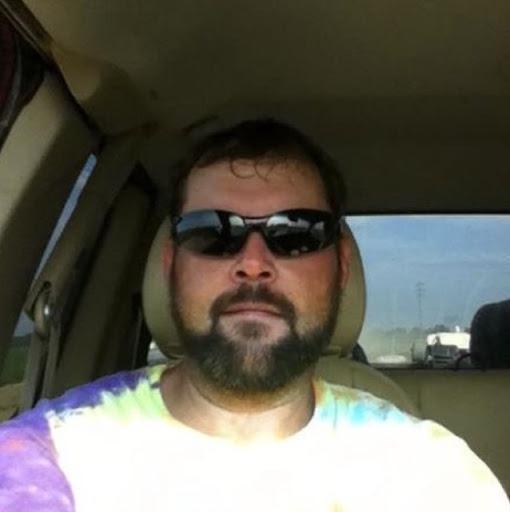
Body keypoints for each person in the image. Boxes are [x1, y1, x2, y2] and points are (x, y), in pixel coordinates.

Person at [0, 119, 508, 512]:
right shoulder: (51, 457)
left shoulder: (430, 476)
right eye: (212, 233)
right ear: (171, 265)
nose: (253, 263)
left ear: (341, 267)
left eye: (296, 233)